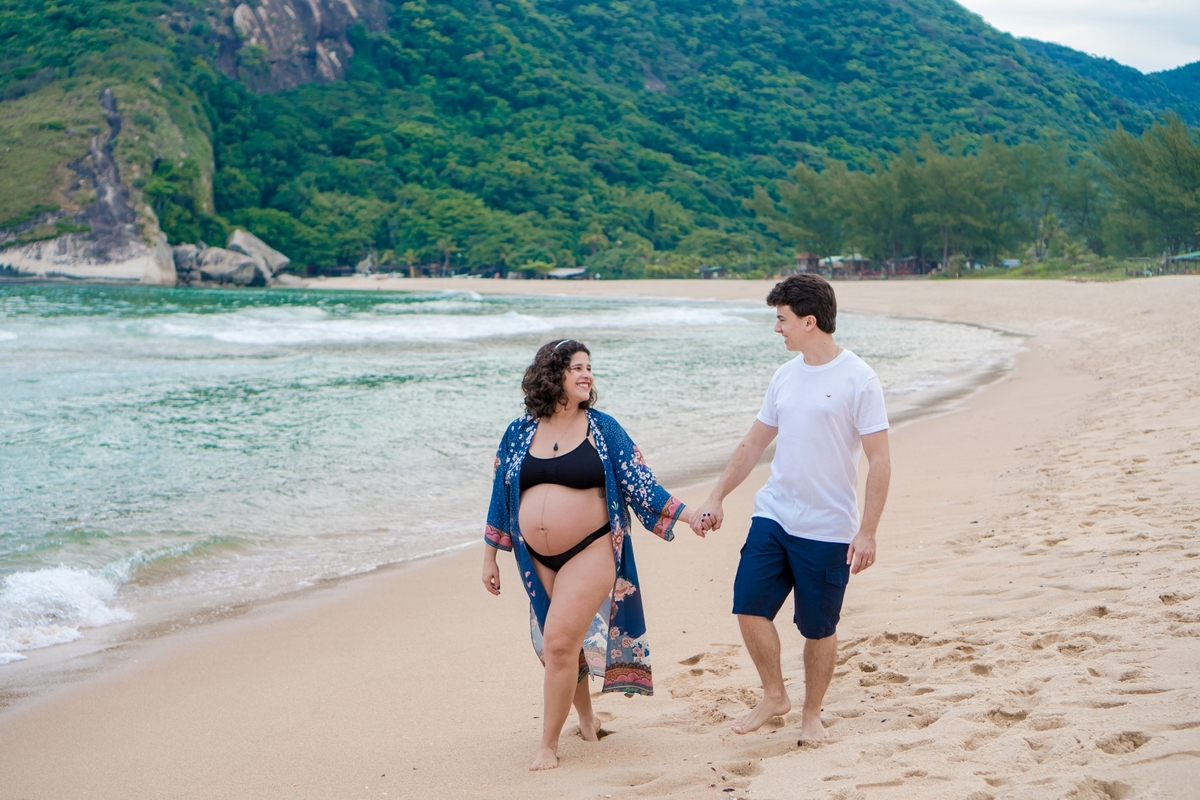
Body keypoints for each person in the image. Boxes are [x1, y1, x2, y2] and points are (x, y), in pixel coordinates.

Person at [481, 339, 699, 771]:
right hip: (535, 558)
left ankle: (547, 746)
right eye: (577, 367)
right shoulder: (519, 431)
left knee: (559, 642)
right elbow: (500, 493)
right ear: (552, 374)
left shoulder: (603, 428)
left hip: (592, 548)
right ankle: (585, 717)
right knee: (560, 647)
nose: (587, 374)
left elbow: (640, 483)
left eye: (589, 368)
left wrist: (690, 515)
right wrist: (490, 554)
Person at [690, 273, 891, 741]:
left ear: (809, 322)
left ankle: (812, 714)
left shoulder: (859, 379)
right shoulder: (785, 375)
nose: (776, 329)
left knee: (818, 629)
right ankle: (775, 694)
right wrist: (717, 496)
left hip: (827, 529)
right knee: (748, 604)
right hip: (775, 515)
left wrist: (868, 531)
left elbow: (880, 459)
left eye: (781, 320)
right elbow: (754, 443)